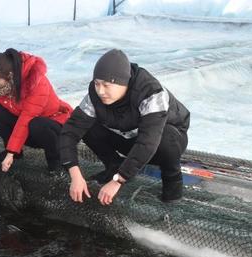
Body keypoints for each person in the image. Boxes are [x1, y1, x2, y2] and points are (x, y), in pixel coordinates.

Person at [59, 49, 191, 204]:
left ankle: (173, 181)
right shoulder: (95, 95)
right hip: (128, 137)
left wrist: (118, 181)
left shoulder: (151, 93)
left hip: (165, 144)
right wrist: (75, 174)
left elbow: (147, 142)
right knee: (87, 125)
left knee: (167, 136)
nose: (100, 91)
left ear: (124, 83)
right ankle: (114, 166)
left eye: (106, 85)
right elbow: (69, 132)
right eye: (97, 83)